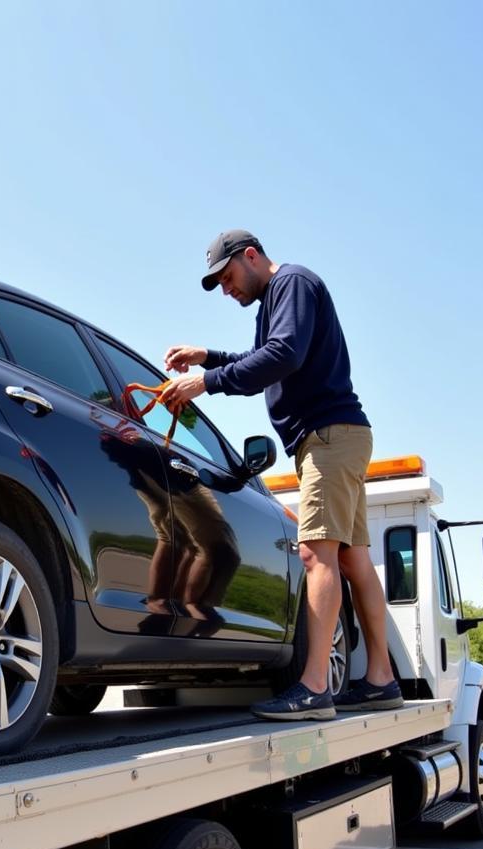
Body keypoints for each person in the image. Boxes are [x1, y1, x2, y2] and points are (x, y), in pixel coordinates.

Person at [161, 229, 403, 721]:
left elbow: (282, 356)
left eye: (228, 277)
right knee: (354, 561)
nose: (227, 290)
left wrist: (205, 382)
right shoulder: (281, 295)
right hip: (340, 434)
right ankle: (381, 678)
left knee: (316, 554)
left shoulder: (289, 283)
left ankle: (314, 687)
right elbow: (264, 357)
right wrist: (209, 358)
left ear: (251, 256)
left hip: (327, 437)